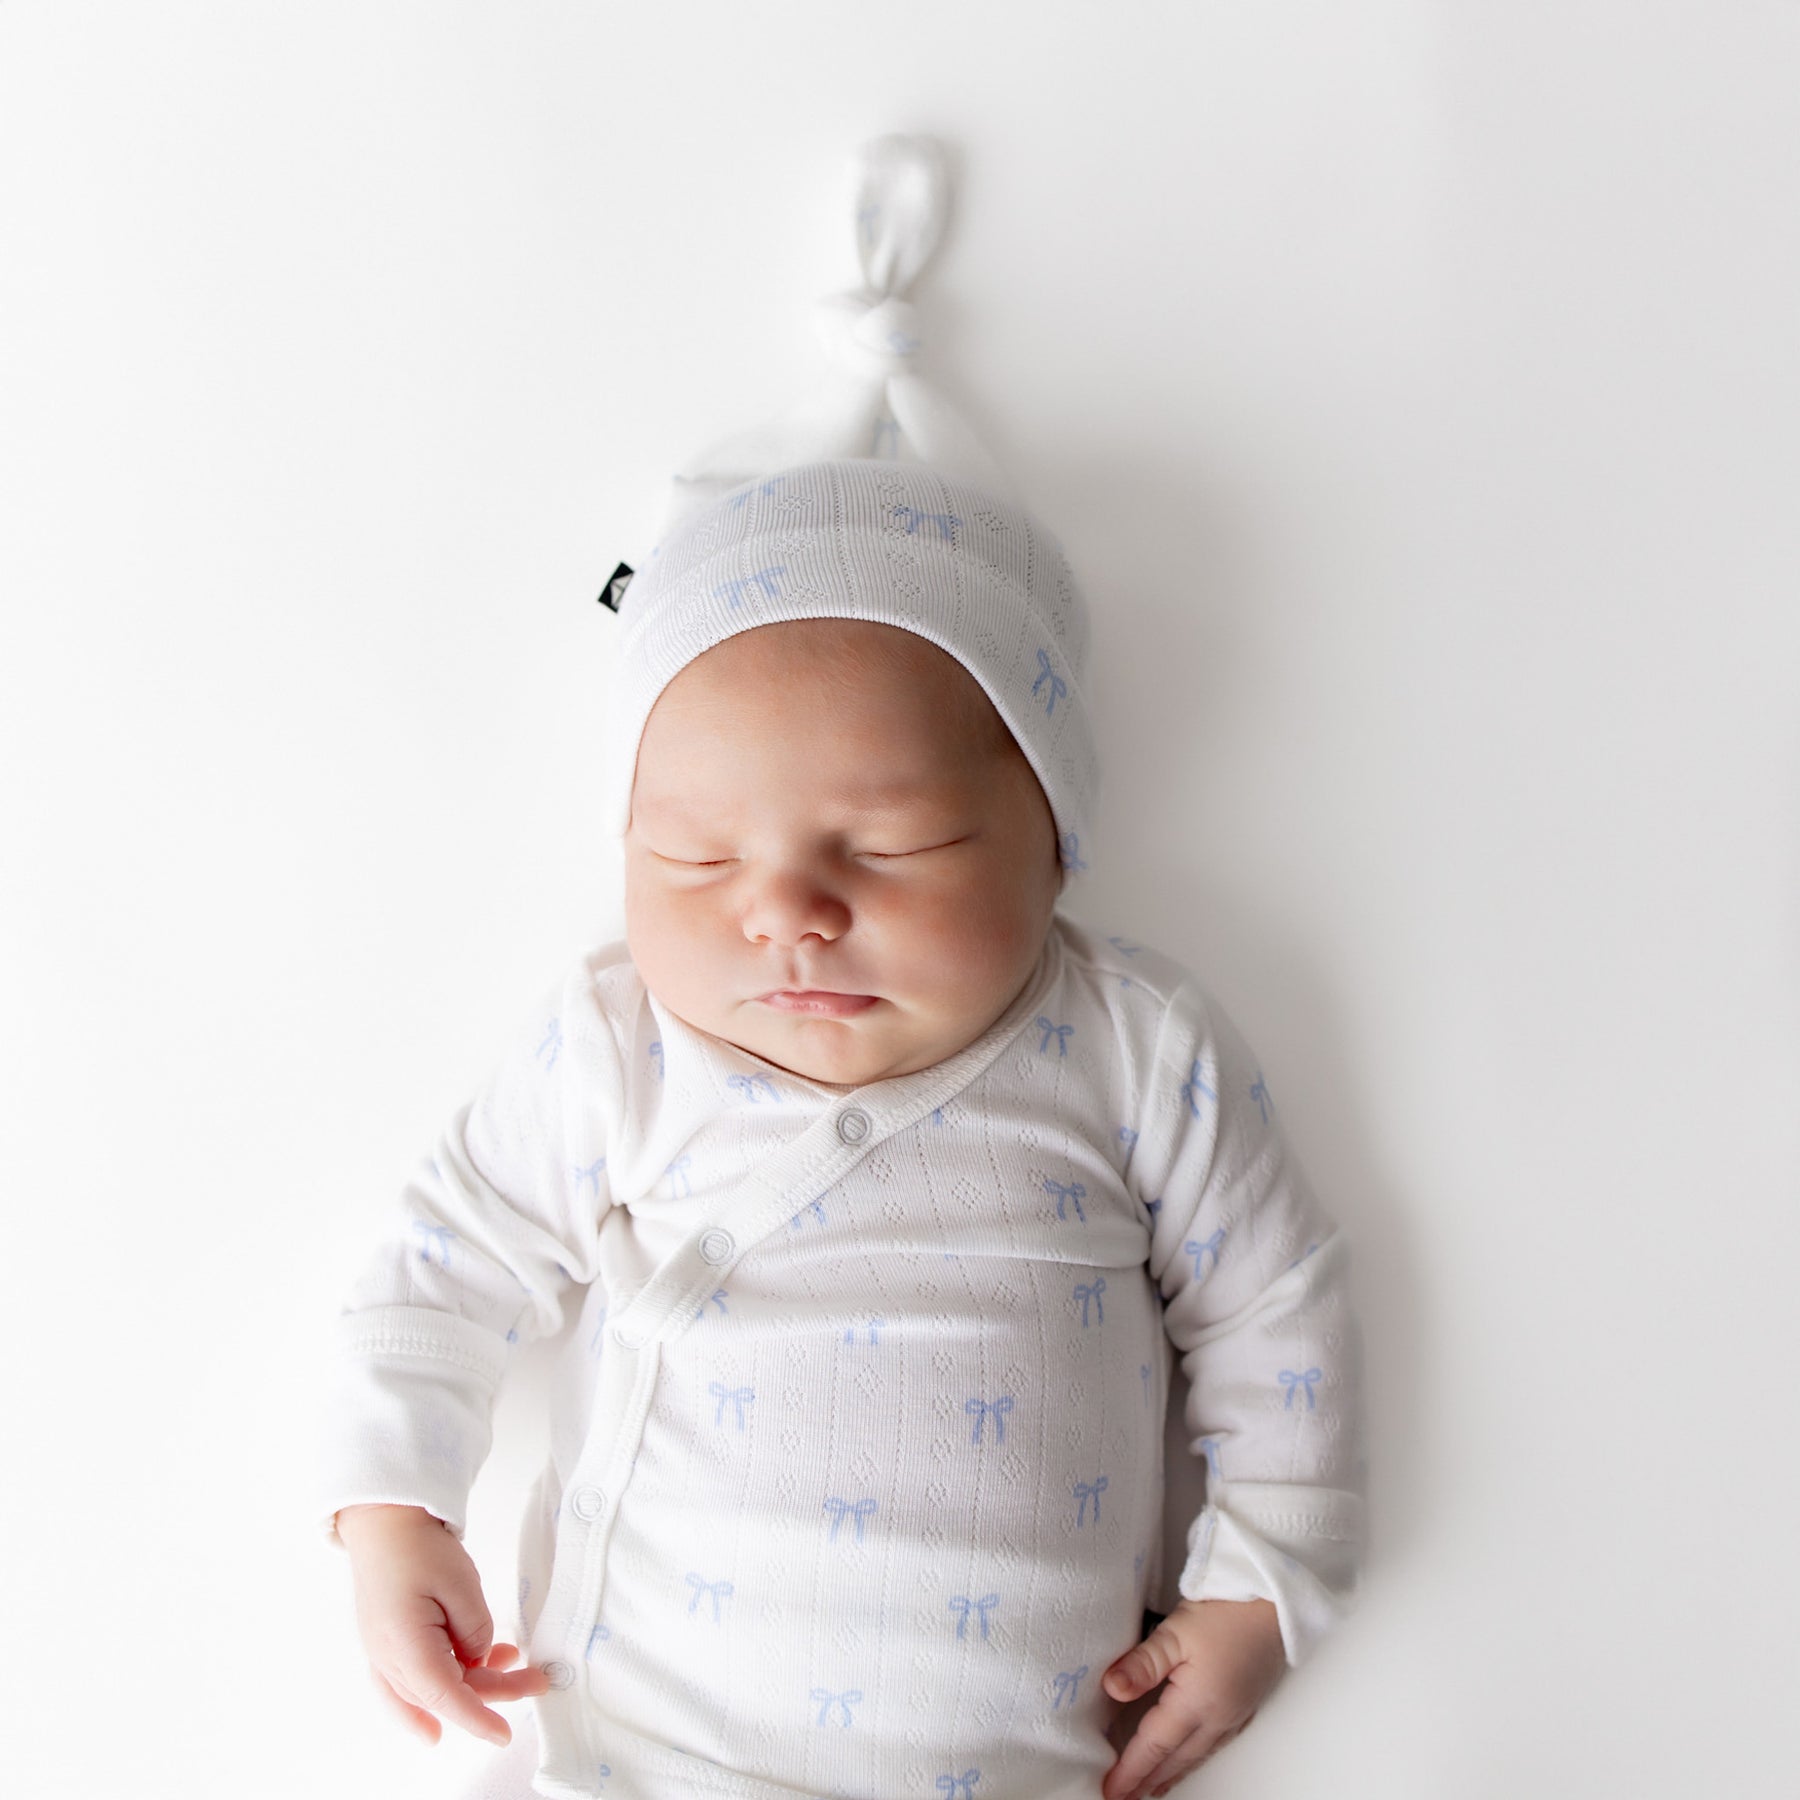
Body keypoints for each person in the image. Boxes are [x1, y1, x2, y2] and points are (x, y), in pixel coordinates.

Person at [319, 145, 1363, 1800]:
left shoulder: (1132, 1051)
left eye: (885, 851)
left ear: (1051, 833)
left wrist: (1262, 1579)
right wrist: (394, 1512)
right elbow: (439, 1266)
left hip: (1016, 1753)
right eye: (698, 857)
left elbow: (1273, 1308)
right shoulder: (619, 1051)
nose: (787, 914)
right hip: (648, 1749)